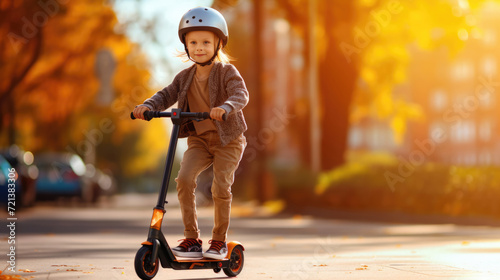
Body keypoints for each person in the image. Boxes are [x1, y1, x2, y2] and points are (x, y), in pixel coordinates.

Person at [133, 7, 248, 260]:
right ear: (185, 45)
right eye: (193, 42)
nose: (199, 47)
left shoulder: (226, 72)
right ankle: (192, 238)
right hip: (199, 140)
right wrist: (148, 106)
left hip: (227, 140)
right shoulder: (184, 77)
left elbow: (241, 94)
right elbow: (166, 95)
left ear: (218, 43)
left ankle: (218, 241)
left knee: (220, 187)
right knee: (183, 180)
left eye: (206, 42)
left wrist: (226, 107)